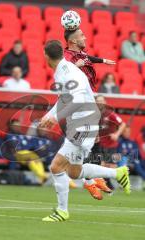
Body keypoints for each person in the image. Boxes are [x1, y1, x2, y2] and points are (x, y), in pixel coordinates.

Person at [40, 40, 130, 222]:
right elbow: (65, 99)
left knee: (56, 166)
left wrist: (55, 118)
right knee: (74, 171)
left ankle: (62, 211)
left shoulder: (65, 73)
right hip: (84, 123)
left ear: (46, 56)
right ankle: (118, 173)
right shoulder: (65, 69)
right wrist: (49, 115)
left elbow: (79, 98)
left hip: (83, 124)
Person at [64, 28, 115, 199]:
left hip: (87, 98)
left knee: (90, 142)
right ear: (73, 40)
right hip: (77, 101)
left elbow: (88, 58)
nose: (85, 37)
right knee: (79, 144)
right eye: (81, 35)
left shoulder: (81, 54)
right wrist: (74, 67)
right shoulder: (68, 56)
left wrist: (102, 60)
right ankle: (89, 181)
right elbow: (64, 71)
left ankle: (93, 179)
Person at [2, 119, 49, 184]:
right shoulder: (9, 135)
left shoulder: (22, 135)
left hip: (26, 153)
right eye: (15, 125)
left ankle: (41, 177)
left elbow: (29, 145)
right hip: (16, 154)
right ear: (11, 126)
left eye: (18, 125)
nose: (17, 126)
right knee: (31, 158)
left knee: (36, 159)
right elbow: (13, 147)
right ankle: (42, 176)